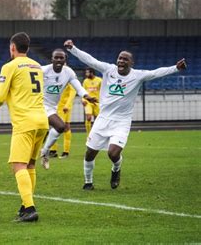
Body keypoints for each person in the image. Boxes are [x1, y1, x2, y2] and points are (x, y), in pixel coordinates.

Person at [64, 39, 187, 190]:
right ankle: (88, 182)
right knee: (90, 153)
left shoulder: (138, 75)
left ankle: (116, 169)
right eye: (120, 58)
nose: (121, 61)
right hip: (103, 118)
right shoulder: (108, 69)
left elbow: (156, 73)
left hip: (122, 121)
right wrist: (72, 49)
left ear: (131, 63)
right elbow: (90, 60)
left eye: (125, 59)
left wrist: (176, 68)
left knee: (113, 153)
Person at [0, 32, 48, 223]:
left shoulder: (9, 66)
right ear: (27, 48)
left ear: (13, 47)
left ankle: (29, 208)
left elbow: (1, 94)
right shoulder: (37, 66)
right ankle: (25, 205)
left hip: (25, 122)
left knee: (18, 165)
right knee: (29, 164)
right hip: (42, 122)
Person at [40, 50, 97, 170]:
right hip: (38, 105)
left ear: (65, 60)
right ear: (52, 59)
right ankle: (43, 152)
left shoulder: (68, 72)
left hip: (52, 107)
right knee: (59, 126)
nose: (59, 60)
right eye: (56, 58)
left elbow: (78, 86)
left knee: (59, 128)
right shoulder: (43, 70)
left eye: (62, 58)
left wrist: (86, 96)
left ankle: (44, 152)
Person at [48, 84, 76, 159]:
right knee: (64, 127)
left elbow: (72, 94)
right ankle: (58, 151)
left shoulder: (70, 82)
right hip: (57, 106)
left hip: (63, 108)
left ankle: (57, 151)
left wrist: (67, 105)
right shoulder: (59, 81)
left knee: (60, 127)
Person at [82, 68, 102, 136]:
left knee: (97, 120)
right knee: (88, 117)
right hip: (88, 102)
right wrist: (83, 100)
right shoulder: (85, 81)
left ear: (92, 73)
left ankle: (96, 134)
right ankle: (89, 135)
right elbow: (83, 91)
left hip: (97, 102)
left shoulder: (99, 80)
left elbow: (104, 91)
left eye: (87, 73)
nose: (86, 74)